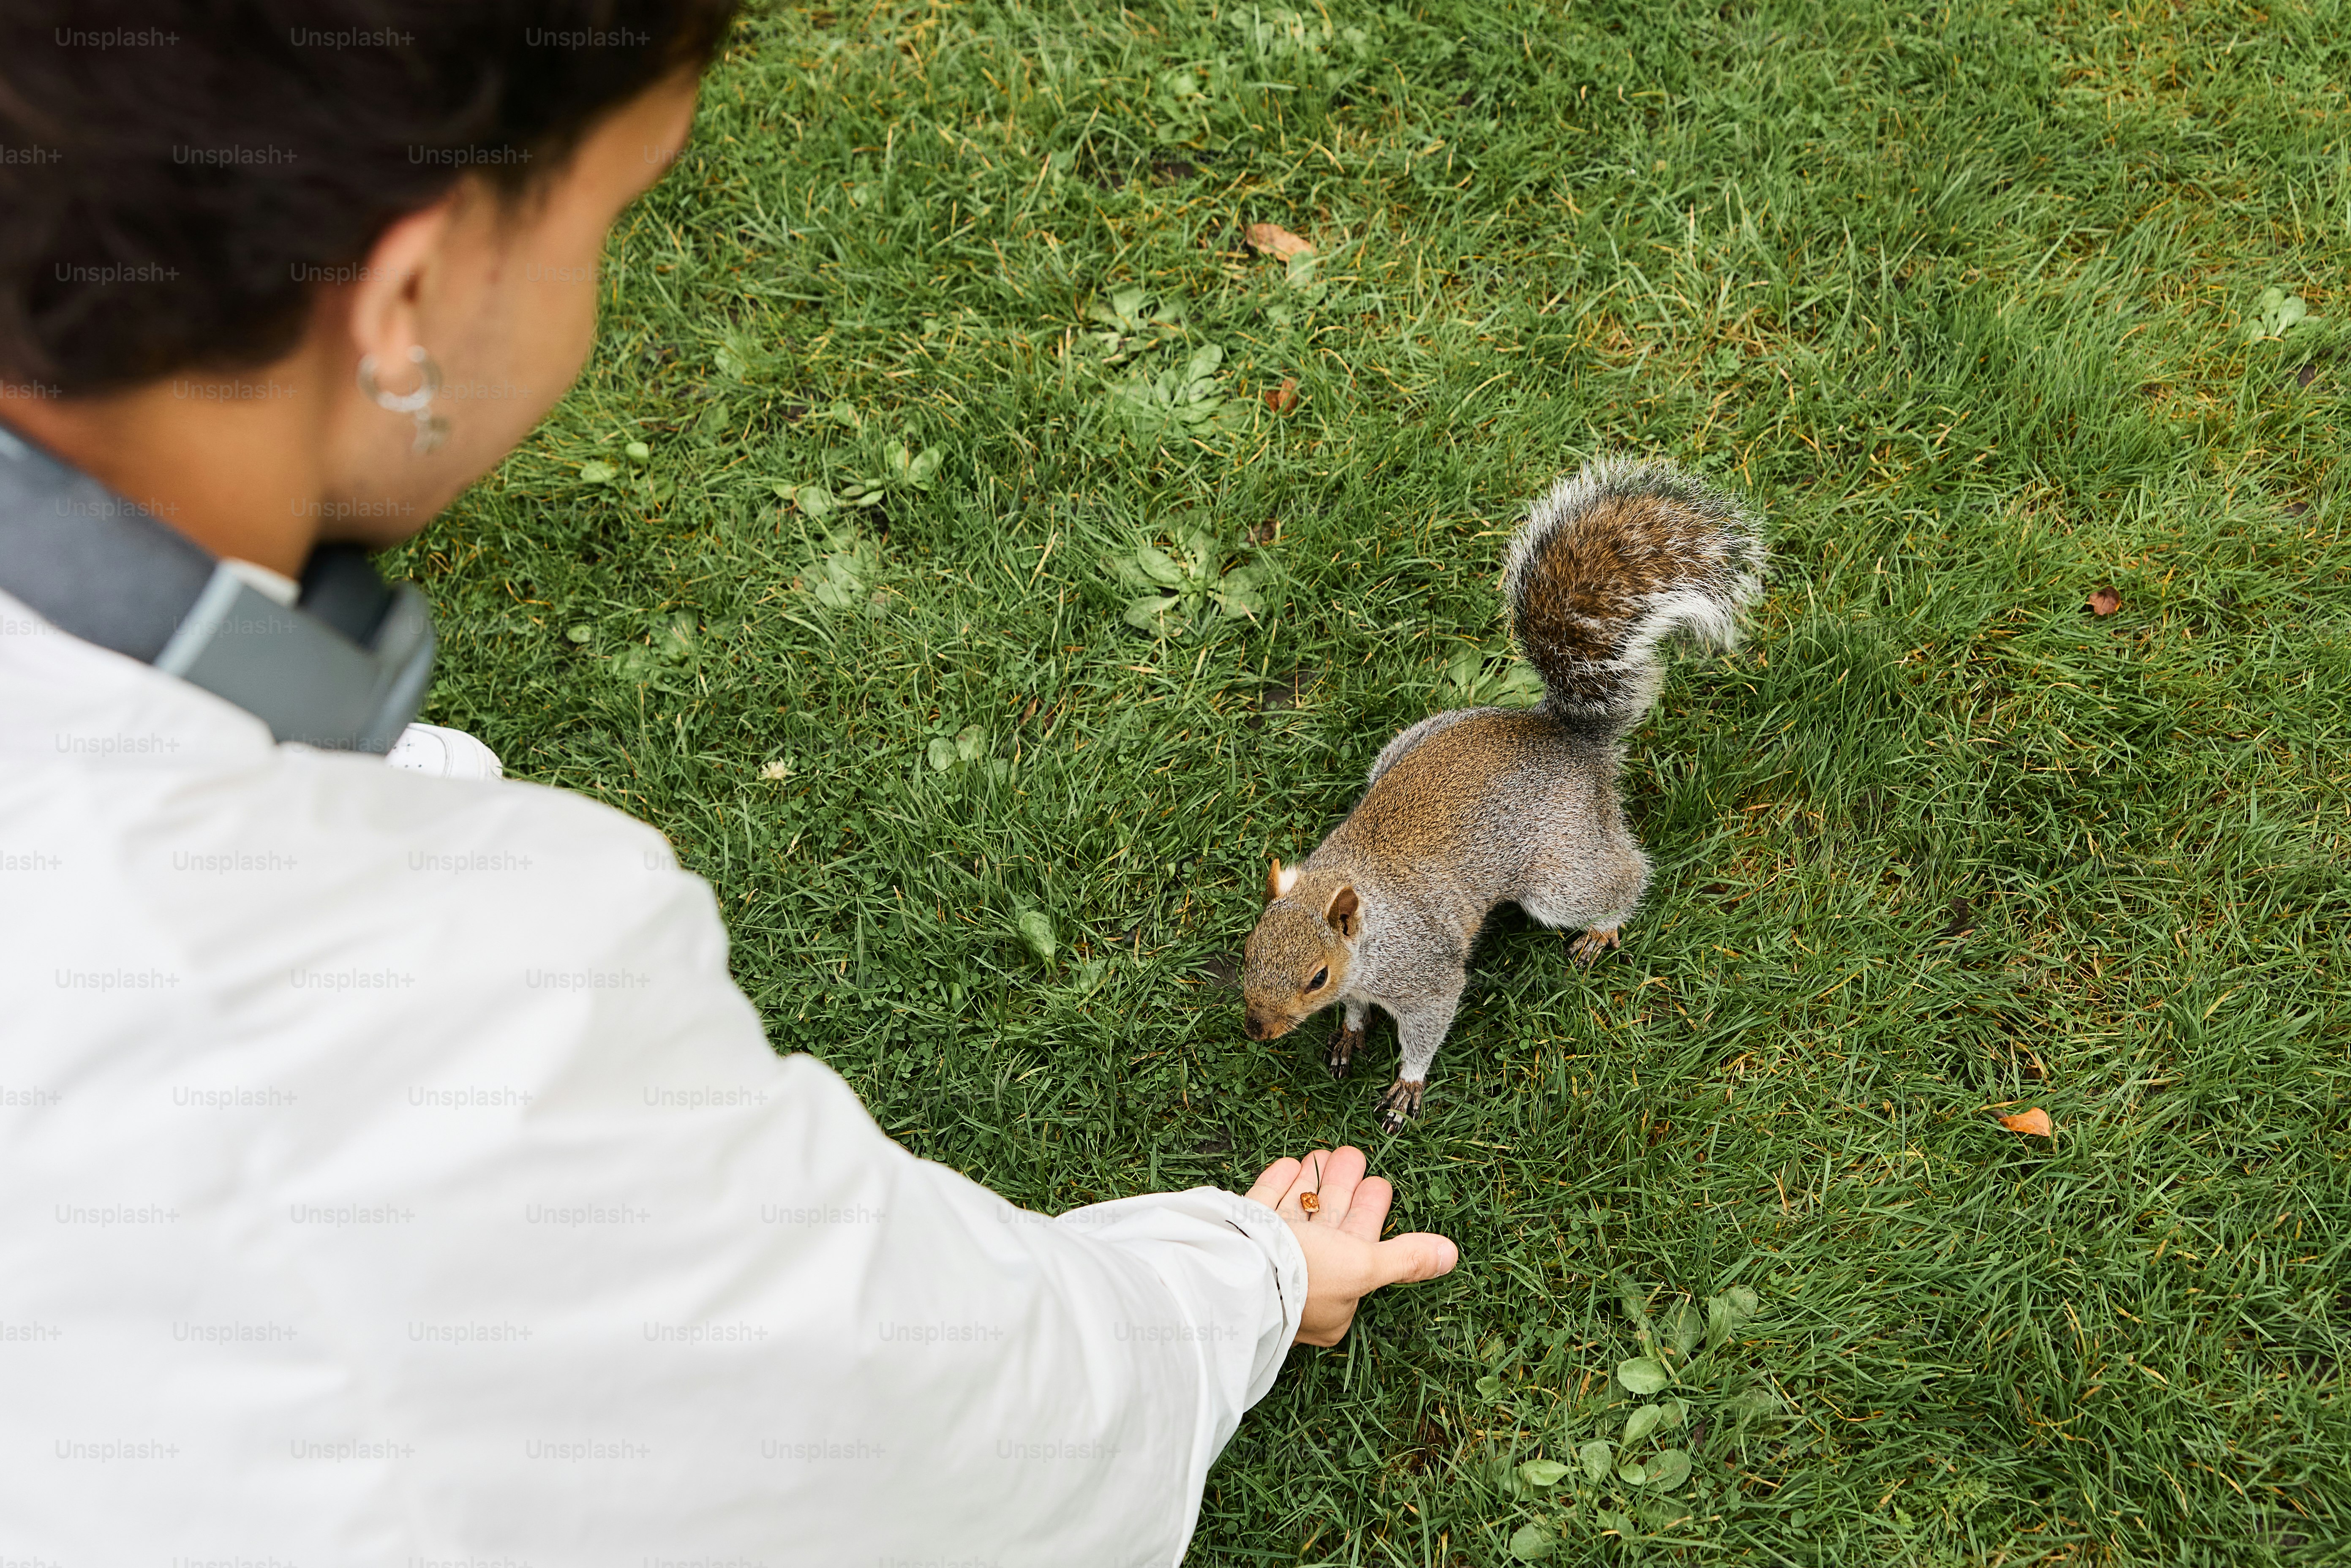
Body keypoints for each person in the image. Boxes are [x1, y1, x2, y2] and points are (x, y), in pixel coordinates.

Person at [0, 4, 1457, 1564]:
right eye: (612, 213)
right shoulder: (429, 999)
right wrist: (1244, 1276)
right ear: (408, 306)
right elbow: (930, 1410)